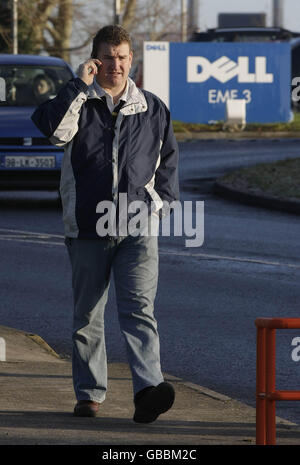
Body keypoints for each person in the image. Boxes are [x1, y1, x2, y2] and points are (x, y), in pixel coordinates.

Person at [31, 25, 179, 423]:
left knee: (139, 309)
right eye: (108, 57)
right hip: (87, 226)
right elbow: (53, 130)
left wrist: (157, 207)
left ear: (132, 60)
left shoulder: (152, 108)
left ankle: (148, 391)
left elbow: (168, 163)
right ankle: (89, 394)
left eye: (123, 57)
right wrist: (78, 85)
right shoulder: (81, 102)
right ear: (95, 60)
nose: (116, 64)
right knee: (88, 315)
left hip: (136, 226)